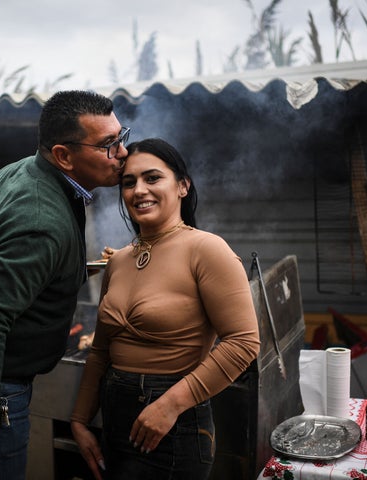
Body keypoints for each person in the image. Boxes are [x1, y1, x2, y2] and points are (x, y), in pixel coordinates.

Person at [0, 90, 130, 480]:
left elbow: (8, 262)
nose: (122, 153)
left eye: (121, 137)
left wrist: (82, 267)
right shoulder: (42, 221)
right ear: (64, 156)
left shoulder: (24, 171)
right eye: (108, 145)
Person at [70, 138, 261, 480]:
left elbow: (243, 343)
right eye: (129, 182)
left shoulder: (206, 249)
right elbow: (100, 352)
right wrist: (80, 421)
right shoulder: (119, 261)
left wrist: (169, 405)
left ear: (183, 186)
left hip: (176, 426)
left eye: (153, 178)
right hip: (115, 417)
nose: (139, 190)